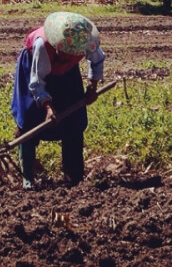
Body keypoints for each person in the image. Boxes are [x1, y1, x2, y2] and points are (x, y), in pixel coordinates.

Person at [10, 11, 104, 190]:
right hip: (34, 69)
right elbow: (37, 82)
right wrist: (47, 106)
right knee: (29, 117)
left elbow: (97, 60)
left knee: (74, 120)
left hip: (66, 71)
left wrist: (92, 87)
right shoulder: (42, 45)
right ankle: (28, 177)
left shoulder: (85, 39)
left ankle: (74, 177)